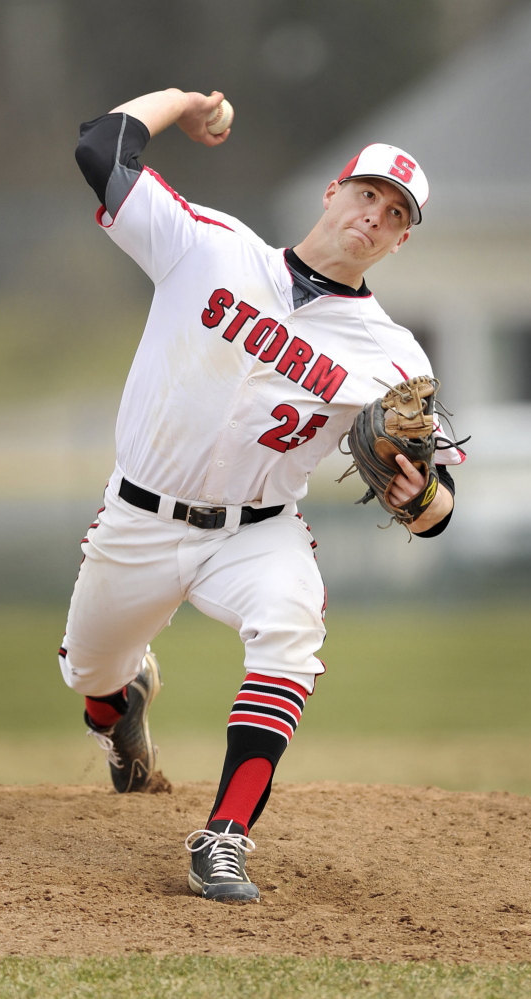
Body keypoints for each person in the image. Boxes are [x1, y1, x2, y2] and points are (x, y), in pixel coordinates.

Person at [60, 88, 464, 903]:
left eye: (394, 215)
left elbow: (438, 496)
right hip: (137, 518)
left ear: (399, 242)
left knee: (291, 625)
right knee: (90, 676)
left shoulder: (388, 353)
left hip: (254, 531)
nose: (373, 217)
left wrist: (424, 501)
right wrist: (184, 102)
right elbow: (100, 148)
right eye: (366, 194)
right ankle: (123, 707)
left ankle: (225, 835)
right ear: (332, 191)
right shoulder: (210, 246)